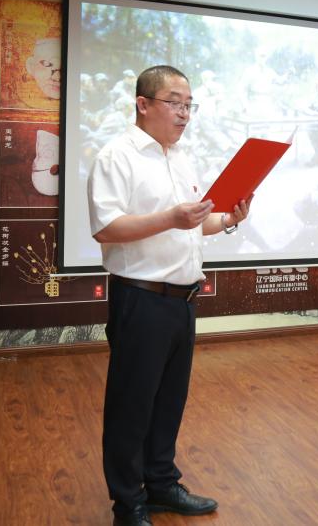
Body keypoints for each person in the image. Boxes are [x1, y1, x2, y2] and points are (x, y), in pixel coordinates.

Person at [87, 65, 250, 526]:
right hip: (140, 299)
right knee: (131, 406)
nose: (184, 114)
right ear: (143, 104)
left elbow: (195, 223)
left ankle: (161, 484)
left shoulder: (180, 158)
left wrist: (230, 218)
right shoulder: (116, 156)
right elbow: (106, 227)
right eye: (174, 103)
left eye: (189, 105)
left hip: (183, 300)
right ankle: (128, 504)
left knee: (168, 402)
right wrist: (171, 218)